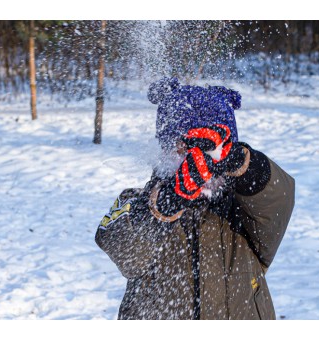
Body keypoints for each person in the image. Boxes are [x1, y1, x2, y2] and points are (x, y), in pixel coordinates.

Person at [95, 77, 295, 320]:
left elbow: (278, 199)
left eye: (207, 148)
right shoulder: (139, 200)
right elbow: (125, 251)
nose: (195, 159)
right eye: (185, 147)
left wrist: (244, 163)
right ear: (166, 149)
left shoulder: (244, 207)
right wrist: (166, 203)